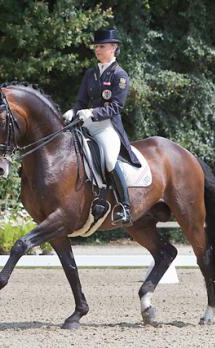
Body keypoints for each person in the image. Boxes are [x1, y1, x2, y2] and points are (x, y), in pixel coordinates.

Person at [62, 28, 141, 225]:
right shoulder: (91, 73)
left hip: (107, 127)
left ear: (113, 48)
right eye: (96, 46)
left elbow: (116, 107)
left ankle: (124, 206)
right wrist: (73, 110)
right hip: (87, 123)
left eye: (102, 46)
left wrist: (93, 112)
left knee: (108, 161)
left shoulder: (119, 75)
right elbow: (81, 100)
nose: (97, 49)